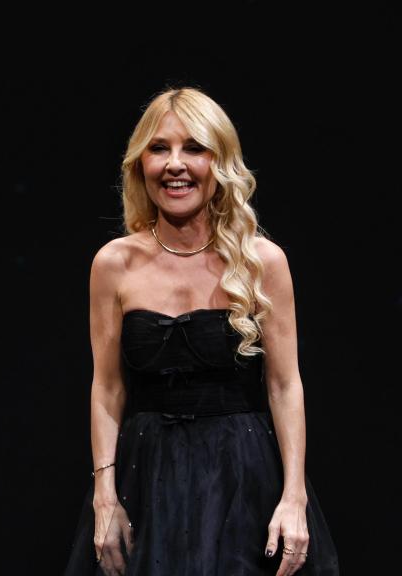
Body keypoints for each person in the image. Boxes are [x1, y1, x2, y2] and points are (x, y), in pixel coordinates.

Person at [62, 88, 338, 576]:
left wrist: (293, 497)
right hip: (147, 481)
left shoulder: (262, 262)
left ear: (221, 161)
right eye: (159, 148)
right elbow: (107, 386)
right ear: (139, 163)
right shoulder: (114, 264)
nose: (175, 164)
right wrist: (105, 497)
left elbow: (284, 383)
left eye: (194, 148)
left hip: (242, 480)